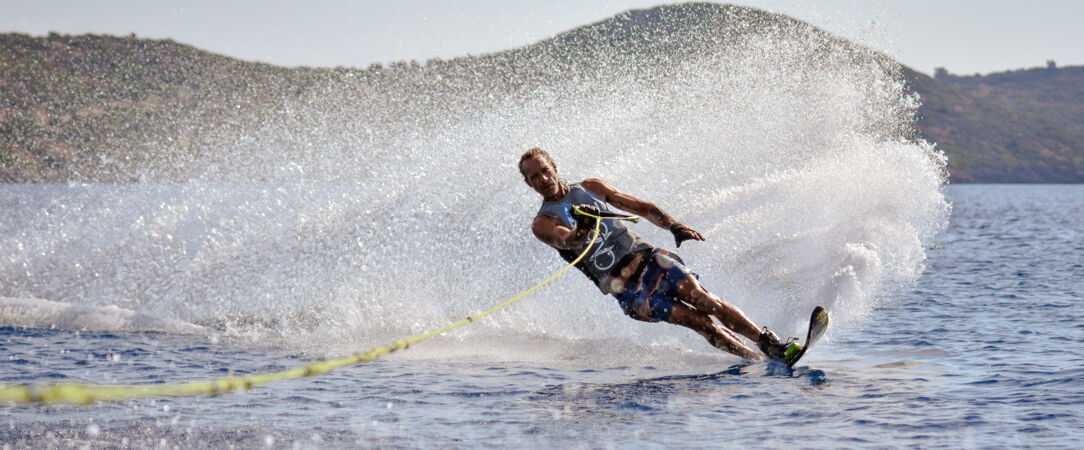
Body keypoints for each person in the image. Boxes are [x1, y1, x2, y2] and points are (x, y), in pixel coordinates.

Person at [518, 147, 793, 361]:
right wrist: (583, 228)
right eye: (534, 177)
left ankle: (769, 343)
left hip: (651, 260)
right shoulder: (542, 223)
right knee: (698, 321)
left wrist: (675, 225)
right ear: (530, 184)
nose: (542, 179)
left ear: (554, 167)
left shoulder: (591, 188)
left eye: (544, 171)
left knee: (704, 299)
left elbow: (643, 209)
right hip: (629, 292)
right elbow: (567, 241)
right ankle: (758, 361)